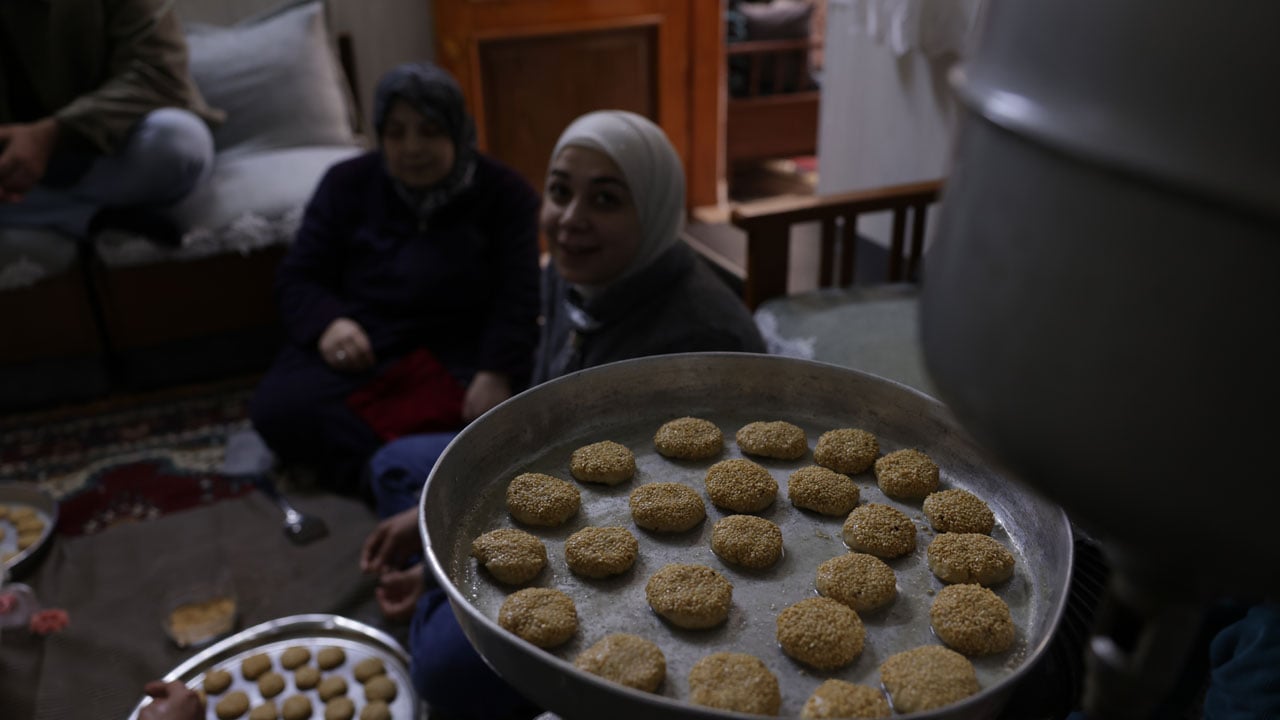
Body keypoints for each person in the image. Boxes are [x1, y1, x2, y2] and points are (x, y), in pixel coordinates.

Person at [359, 110, 766, 720]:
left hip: (628, 522)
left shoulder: (697, 334)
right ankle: (436, 585)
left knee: (440, 671)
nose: (571, 220)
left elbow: (644, 503)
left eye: (605, 199)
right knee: (394, 463)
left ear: (653, 209)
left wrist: (443, 559)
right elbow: (551, 421)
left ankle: (437, 603)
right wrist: (438, 535)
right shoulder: (578, 271)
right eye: (559, 192)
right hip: (561, 474)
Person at [248, 62, 541, 492]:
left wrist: (495, 370)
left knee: (488, 420)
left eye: (429, 130)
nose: (412, 147)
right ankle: (391, 471)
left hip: (455, 351)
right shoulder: (346, 183)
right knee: (277, 410)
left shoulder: (506, 194)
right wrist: (330, 323)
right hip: (366, 345)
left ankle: (377, 468)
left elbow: (519, 297)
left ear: (458, 132)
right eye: (396, 132)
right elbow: (298, 276)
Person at [0, 0, 222, 243]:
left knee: (178, 140)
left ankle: (53, 211)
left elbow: (158, 76)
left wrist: (51, 134)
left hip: (114, 151)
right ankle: (91, 216)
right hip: (16, 175)